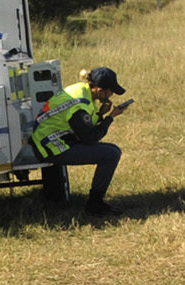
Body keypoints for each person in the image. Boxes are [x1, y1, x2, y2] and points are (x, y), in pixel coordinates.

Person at [30, 65, 131, 215]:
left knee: (113, 150)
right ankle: (94, 205)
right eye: (110, 91)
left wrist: (100, 114)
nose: (111, 95)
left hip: (53, 140)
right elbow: (90, 138)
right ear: (99, 89)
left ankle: (95, 202)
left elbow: (84, 126)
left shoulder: (82, 91)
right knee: (111, 154)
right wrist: (110, 118)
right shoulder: (79, 103)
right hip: (52, 147)